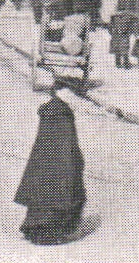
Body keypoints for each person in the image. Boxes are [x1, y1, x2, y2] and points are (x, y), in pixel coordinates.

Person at [14, 69, 86, 245]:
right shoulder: (62, 113)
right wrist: (76, 161)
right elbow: (67, 145)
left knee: (42, 193)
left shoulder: (51, 110)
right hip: (60, 166)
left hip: (43, 165)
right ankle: (55, 232)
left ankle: (35, 228)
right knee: (61, 195)